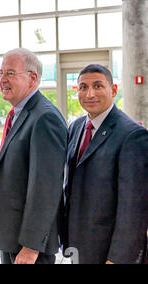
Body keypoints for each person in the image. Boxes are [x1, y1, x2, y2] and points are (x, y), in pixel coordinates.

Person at [61, 64, 148, 264]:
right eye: (83, 87)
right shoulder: (76, 127)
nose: (89, 93)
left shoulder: (132, 135)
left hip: (108, 250)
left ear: (114, 90)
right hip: (78, 243)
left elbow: (134, 208)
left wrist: (118, 258)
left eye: (98, 86)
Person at [0, 48, 68, 264]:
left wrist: (31, 247)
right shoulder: (20, 113)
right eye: (1, 73)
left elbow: (46, 189)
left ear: (33, 78)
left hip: (29, 247)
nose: (2, 80)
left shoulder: (45, 118)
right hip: (12, 238)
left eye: (10, 73)